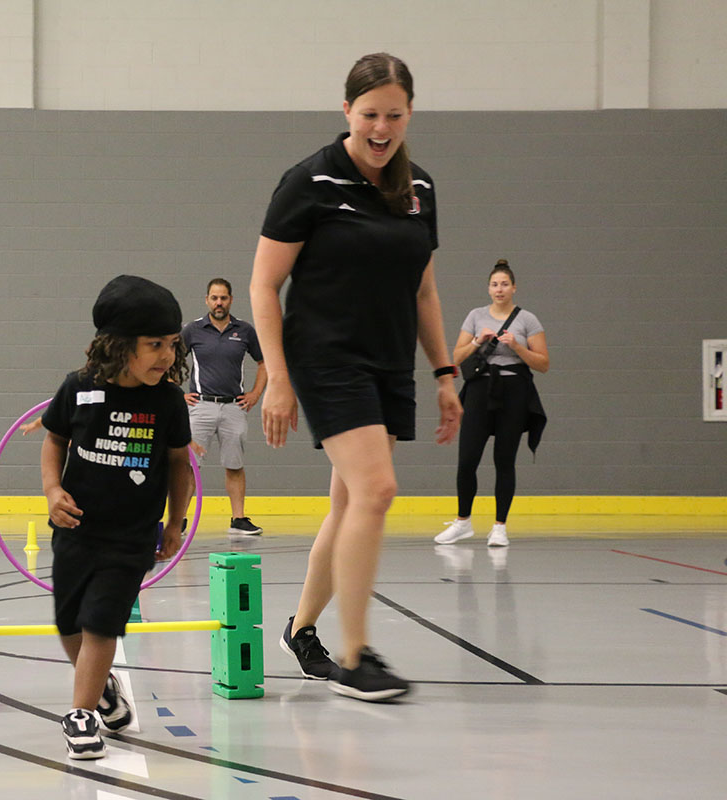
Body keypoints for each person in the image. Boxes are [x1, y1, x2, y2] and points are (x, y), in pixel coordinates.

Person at [249, 53, 462, 702]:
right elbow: (263, 284)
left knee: (348, 504)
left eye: (394, 115)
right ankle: (355, 654)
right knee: (377, 490)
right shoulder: (310, 180)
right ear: (347, 111)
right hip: (325, 358)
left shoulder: (419, 188)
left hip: (389, 362)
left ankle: (303, 631)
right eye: (369, 114)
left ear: (410, 114)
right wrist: (278, 378)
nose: (381, 128)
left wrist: (445, 372)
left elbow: (423, 288)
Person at [40, 274, 194, 759]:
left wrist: (175, 523)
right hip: (76, 528)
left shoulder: (167, 400)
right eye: (154, 345)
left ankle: (81, 715)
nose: (167, 356)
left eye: (172, 344)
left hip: (131, 538)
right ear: (118, 345)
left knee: (102, 621)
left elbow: (178, 463)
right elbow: (54, 441)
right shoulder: (79, 389)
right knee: (69, 622)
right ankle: (103, 691)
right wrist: (51, 489)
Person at [435, 259, 548, 548]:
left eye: (505, 284)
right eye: (495, 284)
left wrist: (517, 346)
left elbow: (543, 363)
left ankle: (500, 526)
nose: (500, 289)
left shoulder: (528, 320)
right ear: (488, 288)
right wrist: (476, 342)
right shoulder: (475, 316)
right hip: (480, 389)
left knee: (504, 459)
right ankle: (462, 521)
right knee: (467, 458)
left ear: (514, 288)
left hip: (514, 390)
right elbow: (455, 358)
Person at [181, 278, 267, 535]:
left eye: (224, 298)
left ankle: (238, 519)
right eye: (214, 298)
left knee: (235, 464)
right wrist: (177, 395)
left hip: (233, 408)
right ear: (207, 300)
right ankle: (179, 520)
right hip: (201, 406)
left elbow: (264, 363)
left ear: (231, 300)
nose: (219, 303)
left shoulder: (245, 330)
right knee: (188, 466)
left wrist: (254, 394)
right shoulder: (192, 330)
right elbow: (170, 361)